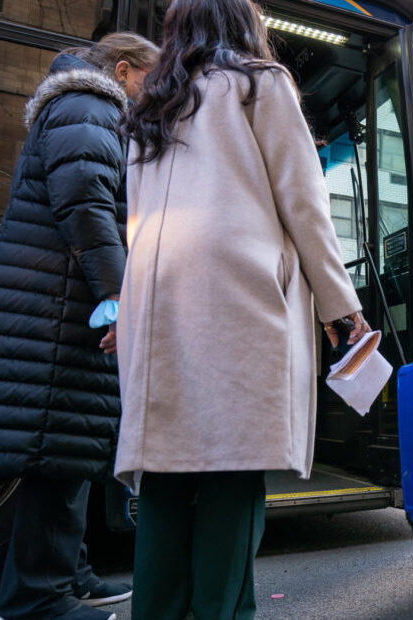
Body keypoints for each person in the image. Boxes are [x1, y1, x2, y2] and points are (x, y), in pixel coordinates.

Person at [118, 0, 367, 617]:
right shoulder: (260, 84)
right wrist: (342, 307)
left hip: (157, 299)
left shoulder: (151, 106)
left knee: (168, 472)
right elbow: (304, 205)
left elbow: (134, 221)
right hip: (238, 297)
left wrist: (131, 308)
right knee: (233, 471)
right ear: (240, 23)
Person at [0, 32, 157, 620]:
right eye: (148, 85)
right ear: (125, 70)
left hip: (57, 305)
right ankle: (37, 598)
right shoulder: (91, 105)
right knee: (56, 448)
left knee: (67, 447)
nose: (151, 98)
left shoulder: (79, 106)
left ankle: (66, 574)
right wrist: (119, 291)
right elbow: (85, 200)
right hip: (57, 310)